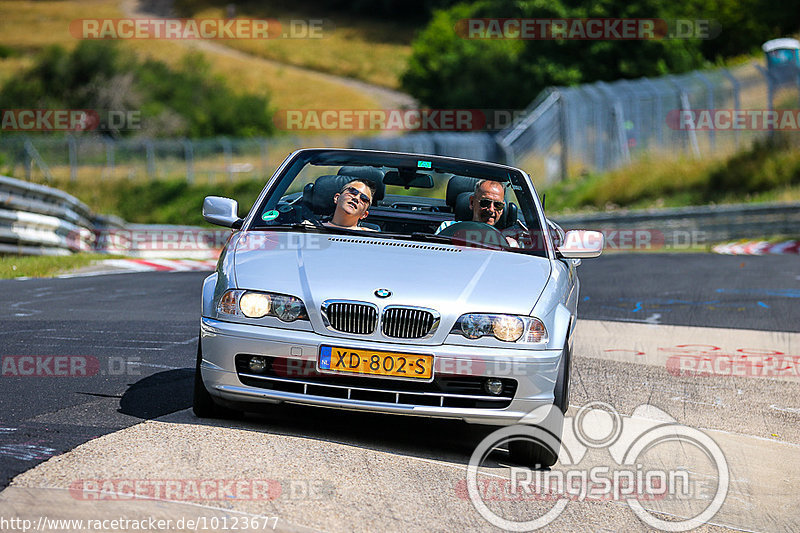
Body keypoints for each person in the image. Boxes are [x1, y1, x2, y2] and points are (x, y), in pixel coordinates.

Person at [436, 179, 518, 246]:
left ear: (502, 209)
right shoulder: (447, 228)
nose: (491, 209)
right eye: (485, 203)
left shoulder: (508, 242)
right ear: (472, 202)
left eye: (498, 205)